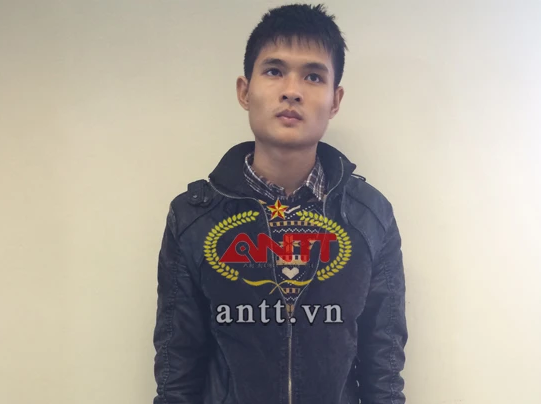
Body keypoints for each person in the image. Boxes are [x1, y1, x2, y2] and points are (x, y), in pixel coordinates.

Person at [153, 4, 408, 404]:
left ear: (335, 100)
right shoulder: (193, 218)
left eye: (313, 76)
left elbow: (384, 373)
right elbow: (177, 373)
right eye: (274, 71)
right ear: (245, 91)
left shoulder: (370, 217)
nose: (292, 90)